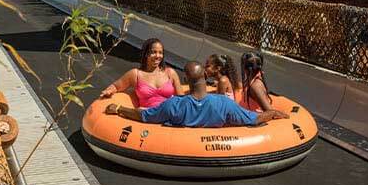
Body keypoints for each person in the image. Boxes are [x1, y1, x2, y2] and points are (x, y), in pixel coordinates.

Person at [105, 61, 288, 127]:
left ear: (186, 79)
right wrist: (272, 113)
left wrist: (119, 108)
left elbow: (143, 115)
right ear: (204, 76)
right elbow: (254, 119)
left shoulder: (174, 105)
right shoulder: (223, 104)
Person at [99, 38, 184, 108]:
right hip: (147, 116)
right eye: (153, 52)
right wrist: (109, 91)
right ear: (146, 54)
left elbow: (182, 99)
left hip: (169, 114)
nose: (158, 56)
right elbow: (116, 86)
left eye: (160, 53)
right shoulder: (135, 74)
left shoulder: (170, 73)